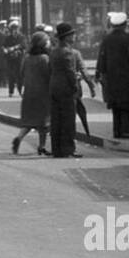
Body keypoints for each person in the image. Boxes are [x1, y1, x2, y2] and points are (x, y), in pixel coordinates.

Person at [95, 12, 129, 139]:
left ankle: (117, 131)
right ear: (124, 25)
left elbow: (102, 57)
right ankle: (127, 131)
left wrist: (99, 73)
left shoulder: (107, 39)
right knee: (128, 106)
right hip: (127, 78)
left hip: (111, 79)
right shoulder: (128, 39)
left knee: (116, 107)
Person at [11, 32, 52, 155]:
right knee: (43, 122)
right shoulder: (45, 58)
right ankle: (42, 146)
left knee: (29, 121)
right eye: (47, 41)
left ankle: (19, 138)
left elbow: (21, 73)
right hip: (43, 93)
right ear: (43, 44)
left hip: (29, 92)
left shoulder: (27, 57)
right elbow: (48, 75)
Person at [48, 23, 83, 159]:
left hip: (54, 87)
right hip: (66, 90)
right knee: (68, 120)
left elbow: (51, 69)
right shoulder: (67, 51)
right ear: (67, 37)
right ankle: (68, 149)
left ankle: (57, 149)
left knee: (56, 119)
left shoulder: (54, 51)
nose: (74, 36)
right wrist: (75, 86)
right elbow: (70, 72)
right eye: (72, 34)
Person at [4, 19, 27, 97]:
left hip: (19, 58)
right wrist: (7, 50)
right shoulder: (8, 38)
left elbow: (24, 45)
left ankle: (20, 90)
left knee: (19, 74)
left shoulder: (22, 37)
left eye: (16, 28)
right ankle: (11, 91)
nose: (15, 30)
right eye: (13, 28)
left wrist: (14, 48)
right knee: (11, 75)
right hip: (10, 58)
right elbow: (5, 47)